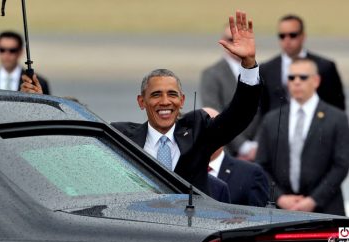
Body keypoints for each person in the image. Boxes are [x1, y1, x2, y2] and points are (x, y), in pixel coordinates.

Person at [20, 11, 262, 195]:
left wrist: (249, 64)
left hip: (191, 234)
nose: (165, 101)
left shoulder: (198, 132)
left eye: (172, 94)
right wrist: (41, 104)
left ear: (182, 101)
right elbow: (75, 138)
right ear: (141, 101)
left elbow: (239, 115)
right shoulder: (122, 137)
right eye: (156, 95)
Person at [256, 58, 349, 215]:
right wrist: (279, 198)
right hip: (281, 211)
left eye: (303, 77)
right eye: (292, 77)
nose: (297, 82)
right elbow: (261, 164)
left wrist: (314, 200)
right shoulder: (272, 119)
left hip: (327, 209)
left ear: (316, 80)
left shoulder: (337, 118)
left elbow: (341, 164)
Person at [260, 14, 345, 114]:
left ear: (303, 36)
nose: (287, 40)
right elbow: (262, 109)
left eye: (292, 35)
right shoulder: (266, 69)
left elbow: (337, 107)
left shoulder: (325, 67)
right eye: (282, 36)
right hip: (277, 128)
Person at [200, 24, 260, 161]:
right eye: (231, 39)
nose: (236, 43)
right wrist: (243, 147)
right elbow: (214, 114)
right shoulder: (212, 74)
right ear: (223, 41)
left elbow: (265, 113)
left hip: (259, 151)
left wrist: (256, 147)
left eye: (241, 39)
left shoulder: (260, 72)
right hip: (227, 150)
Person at [203, 107, 269, 207]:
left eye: (213, 128)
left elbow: (260, 219)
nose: (206, 134)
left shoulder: (250, 175)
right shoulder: (179, 170)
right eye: (199, 128)